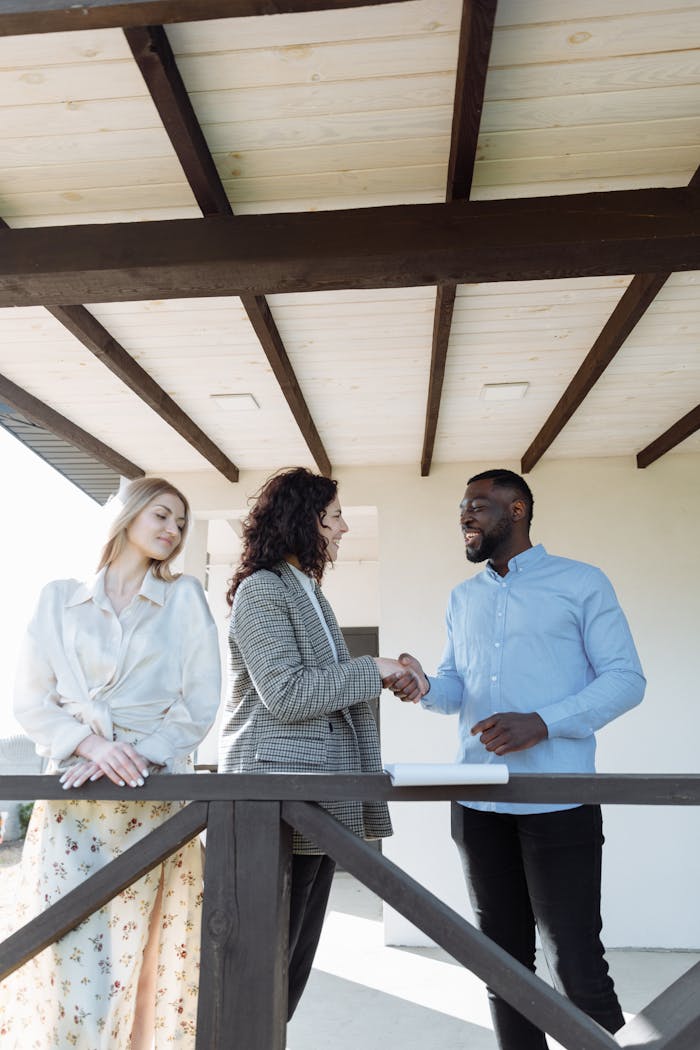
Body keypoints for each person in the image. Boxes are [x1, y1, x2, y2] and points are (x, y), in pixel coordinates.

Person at [387, 468, 645, 1050]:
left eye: (478, 505)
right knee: (500, 966)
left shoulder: (583, 584)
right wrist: (424, 685)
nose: (464, 516)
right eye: (461, 508)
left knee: (575, 963)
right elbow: (458, 688)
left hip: (560, 800)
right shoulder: (463, 597)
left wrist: (544, 722)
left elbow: (627, 680)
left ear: (518, 509)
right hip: (477, 804)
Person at [0, 477, 221, 1050]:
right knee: (70, 960)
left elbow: (199, 704)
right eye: (163, 516)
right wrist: (93, 747)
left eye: (181, 523)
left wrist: (134, 755)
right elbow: (29, 698)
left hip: (151, 804)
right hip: (73, 802)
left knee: (150, 960)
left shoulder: (185, 598)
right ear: (127, 515)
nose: (173, 531)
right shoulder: (57, 598)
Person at [219, 467, 410, 1021]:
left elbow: (323, 686)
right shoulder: (261, 590)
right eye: (334, 517)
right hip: (273, 798)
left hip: (318, 797)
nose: (345, 528)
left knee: (292, 963)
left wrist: (386, 670)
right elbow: (285, 694)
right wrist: (371, 668)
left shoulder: (308, 591)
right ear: (304, 521)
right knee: (263, 963)